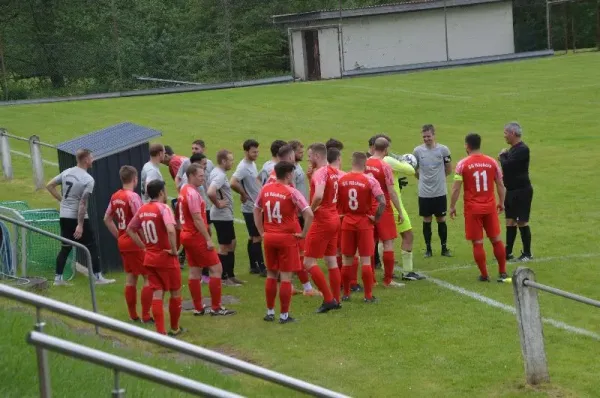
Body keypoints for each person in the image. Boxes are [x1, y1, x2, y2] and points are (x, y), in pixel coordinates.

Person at [254, 161, 314, 324]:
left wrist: (261, 231)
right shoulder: (292, 192)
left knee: (271, 274)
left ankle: (270, 312)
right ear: (288, 174)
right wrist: (303, 233)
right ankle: (284, 315)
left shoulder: (265, 189)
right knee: (286, 277)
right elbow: (309, 214)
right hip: (286, 238)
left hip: (269, 237)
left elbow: (256, 208)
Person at [46, 149, 114, 286]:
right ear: (86, 160)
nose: (93, 159)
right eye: (91, 157)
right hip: (77, 217)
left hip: (64, 216)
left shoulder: (67, 172)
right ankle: (98, 277)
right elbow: (83, 203)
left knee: (65, 247)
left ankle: (58, 279)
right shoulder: (88, 179)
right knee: (92, 246)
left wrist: (62, 201)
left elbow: (49, 185)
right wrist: (80, 224)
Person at [126, 180, 183, 336]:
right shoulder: (164, 208)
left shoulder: (143, 209)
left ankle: (160, 331)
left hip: (150, 258)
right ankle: (175, 328)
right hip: (165, 258)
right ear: (161, 193)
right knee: (175, 292)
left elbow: (130, 229)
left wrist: (144, 246)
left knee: (158, 293)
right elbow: (171, 230)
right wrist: (173, 250)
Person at [179, 164, 236, 316]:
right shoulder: (192, 193)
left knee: (194, 270)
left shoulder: (184, 190)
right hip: (195, 235)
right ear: (191, 175)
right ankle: (216, 307)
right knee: (216, 268)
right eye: (200, 176)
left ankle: (198, 307)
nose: (203, 179)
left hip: (186, 235)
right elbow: (197, 218)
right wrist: (208, 239)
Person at [449, 133, 508, 282]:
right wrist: (502, 202)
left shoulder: (463, 164)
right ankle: (502, 272)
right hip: (489, 207)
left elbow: (456, 188)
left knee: (477, 242)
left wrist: (452, 206)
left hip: (472, 209)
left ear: (467, 146)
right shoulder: (492, 162)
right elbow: (500, 184)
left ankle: (484, 275)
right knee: (496, 239)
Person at [265, 144, 320, 297]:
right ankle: (307, 289)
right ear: (290, 157)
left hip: (273, 223)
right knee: (299, 253)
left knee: (282, 259)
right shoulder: (284, 176)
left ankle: (290, 287)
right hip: (287, 223)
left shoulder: (274, 173)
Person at [103, 166, 153, 322]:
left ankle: (133, 315)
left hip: (123, 241)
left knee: (131, 278)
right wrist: (146, 243)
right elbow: (140, 221)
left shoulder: (115, 196)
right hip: (135, 241)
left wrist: (119, 236)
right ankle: (145, 316)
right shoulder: (133, 197)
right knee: (149, 278)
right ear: (135, 179)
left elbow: (107, 219)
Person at [338, 152, 386, 302]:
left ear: (351, 162)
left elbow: (337, 201)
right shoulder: (370, 180)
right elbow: (382, 202)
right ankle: (368, 296)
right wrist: (376, 217)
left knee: (347, 259)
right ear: (365, 164)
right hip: (364, 222)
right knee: (365, 259)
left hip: (347, 221)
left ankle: (346, 293)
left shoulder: (342, 179)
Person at [304, 143, 341, 313]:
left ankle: (328, 299)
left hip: (322, 220)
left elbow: (318, 195)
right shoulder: (332, 171)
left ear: (317, 156)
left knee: (308, 262)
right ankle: (337, 299)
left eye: (310, 155)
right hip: (334, 217)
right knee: (331, 260)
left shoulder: (320, 173)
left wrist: (310, 210)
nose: (308, 158)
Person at [365, 138, 405, 288]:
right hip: (383, 208)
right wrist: (399, 210)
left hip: (368, 207)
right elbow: (391, 191)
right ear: (386, 149)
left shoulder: (365, 163)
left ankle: (372, 279)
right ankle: (388, 280)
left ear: (374, 147)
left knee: (370, 242)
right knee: (388, 242)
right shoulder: (385, 166)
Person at [382, 147, 424, 281]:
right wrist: (402, 161)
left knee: (385, 238)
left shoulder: (372, 162)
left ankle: (385, 270)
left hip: (381, 204)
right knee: (408, 235)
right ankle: (407, 272)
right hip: (394, 206)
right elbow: (411, 170)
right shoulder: (388, 160)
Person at [413, 124, 452, 257]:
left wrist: (439, 179)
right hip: (424, 193)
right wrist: (424, 179)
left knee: (441, 219)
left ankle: (444, 248)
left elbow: (449, 169)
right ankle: (428, 249)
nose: (426, 139)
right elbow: (414, 170)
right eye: (424, 136)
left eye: (428, 136)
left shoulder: (443, 150)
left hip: (440, 192)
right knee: (426, 219)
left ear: (434, 135)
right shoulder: (417, 151)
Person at [230, 139, 266, 276]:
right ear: (246, 152)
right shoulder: (243, 167)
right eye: (253, 152)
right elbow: (233, 182)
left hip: (253, 206)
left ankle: (253, 266)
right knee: (257, 237)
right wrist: (243, 193)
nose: (256, 154)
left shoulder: (251, 163)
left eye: (257, 151)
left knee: (253, 237)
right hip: (250, 208)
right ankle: (262, 268)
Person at [208, 149, 243, 286]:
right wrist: (218, 203)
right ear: (223, 161)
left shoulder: (217, 173)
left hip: (225, 216)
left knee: (232, 243)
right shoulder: (220, 175)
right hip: (221, 216)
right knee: (224, 247)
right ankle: (223, 278)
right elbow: (211, 191)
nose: (232, 162)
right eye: (230, 160)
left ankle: (230, 275)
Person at [499, 122, 534, 262]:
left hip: (522, 191)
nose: (504, 136)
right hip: (512, 190)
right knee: (510, 221)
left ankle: (527, 253)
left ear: (513, 133)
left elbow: (508, 166)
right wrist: (505, 155)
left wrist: (502, 156)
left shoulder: (522, 149)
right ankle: (507, 253)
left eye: (506, 133)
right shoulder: (512, 149)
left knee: (521, 221)